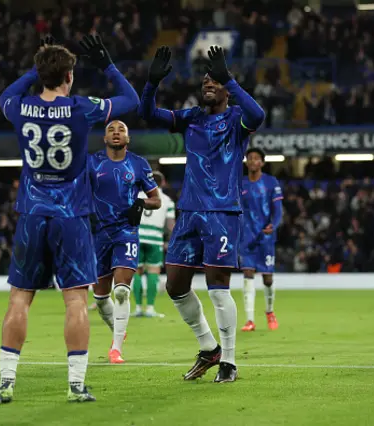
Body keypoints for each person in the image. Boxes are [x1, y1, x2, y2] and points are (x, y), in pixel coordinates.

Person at [0, 35, 139, 403]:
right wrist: (108, 66)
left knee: (19, 300)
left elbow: (4, 95)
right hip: (71, 216)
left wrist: (35, 69)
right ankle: (76, 386)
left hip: (32, 213)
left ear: (41, 74)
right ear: (70, 75)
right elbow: (132, 101)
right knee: (75, 301)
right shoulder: (80, 108)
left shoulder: (20, 106)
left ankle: (7, 383)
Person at [139, 46, 265, 382]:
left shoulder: (237, 118)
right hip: (189, 212)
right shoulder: (190, 118)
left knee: (218, 287)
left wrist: (231, 80)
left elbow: (259, 115)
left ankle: (230, 361)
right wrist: (151, 83)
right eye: (205, 81)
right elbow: (148, 114)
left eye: (214, 81)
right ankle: (210, 348)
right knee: (175, 286)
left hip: (222, 212)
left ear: (225, 88)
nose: (207, 84)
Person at [90, 120, 161, 364]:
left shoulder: (139, 164)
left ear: (128, 139)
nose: (116, 133)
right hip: (98, 234)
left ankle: (116, 349)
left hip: (126, 232)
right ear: (104, 138)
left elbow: (157, 200)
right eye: (111, 129)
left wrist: (140, 203)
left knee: (121, 291)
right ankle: (118, 330)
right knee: (100, 298)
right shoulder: (92, 162)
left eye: (121, 130)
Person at [239, 148, 283, 332]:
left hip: (265, 237)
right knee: (248, 275)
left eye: (256, 158)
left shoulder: (271, 182)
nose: (252, 161)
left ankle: (269, 311)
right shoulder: (241, 184)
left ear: (262, 163)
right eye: (250, 158)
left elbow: (278, 209)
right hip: (246, 237)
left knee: (267, 278)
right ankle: (250, 320)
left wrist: (274, 224)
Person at [132, 171, 175, 318]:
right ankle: (150, 308)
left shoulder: (136, 195)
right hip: (155, 239)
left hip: (136, 237)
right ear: (163, 183)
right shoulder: (168, 200)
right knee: (153, 272)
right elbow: (170, 225)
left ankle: (138, 308)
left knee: (136, 272)